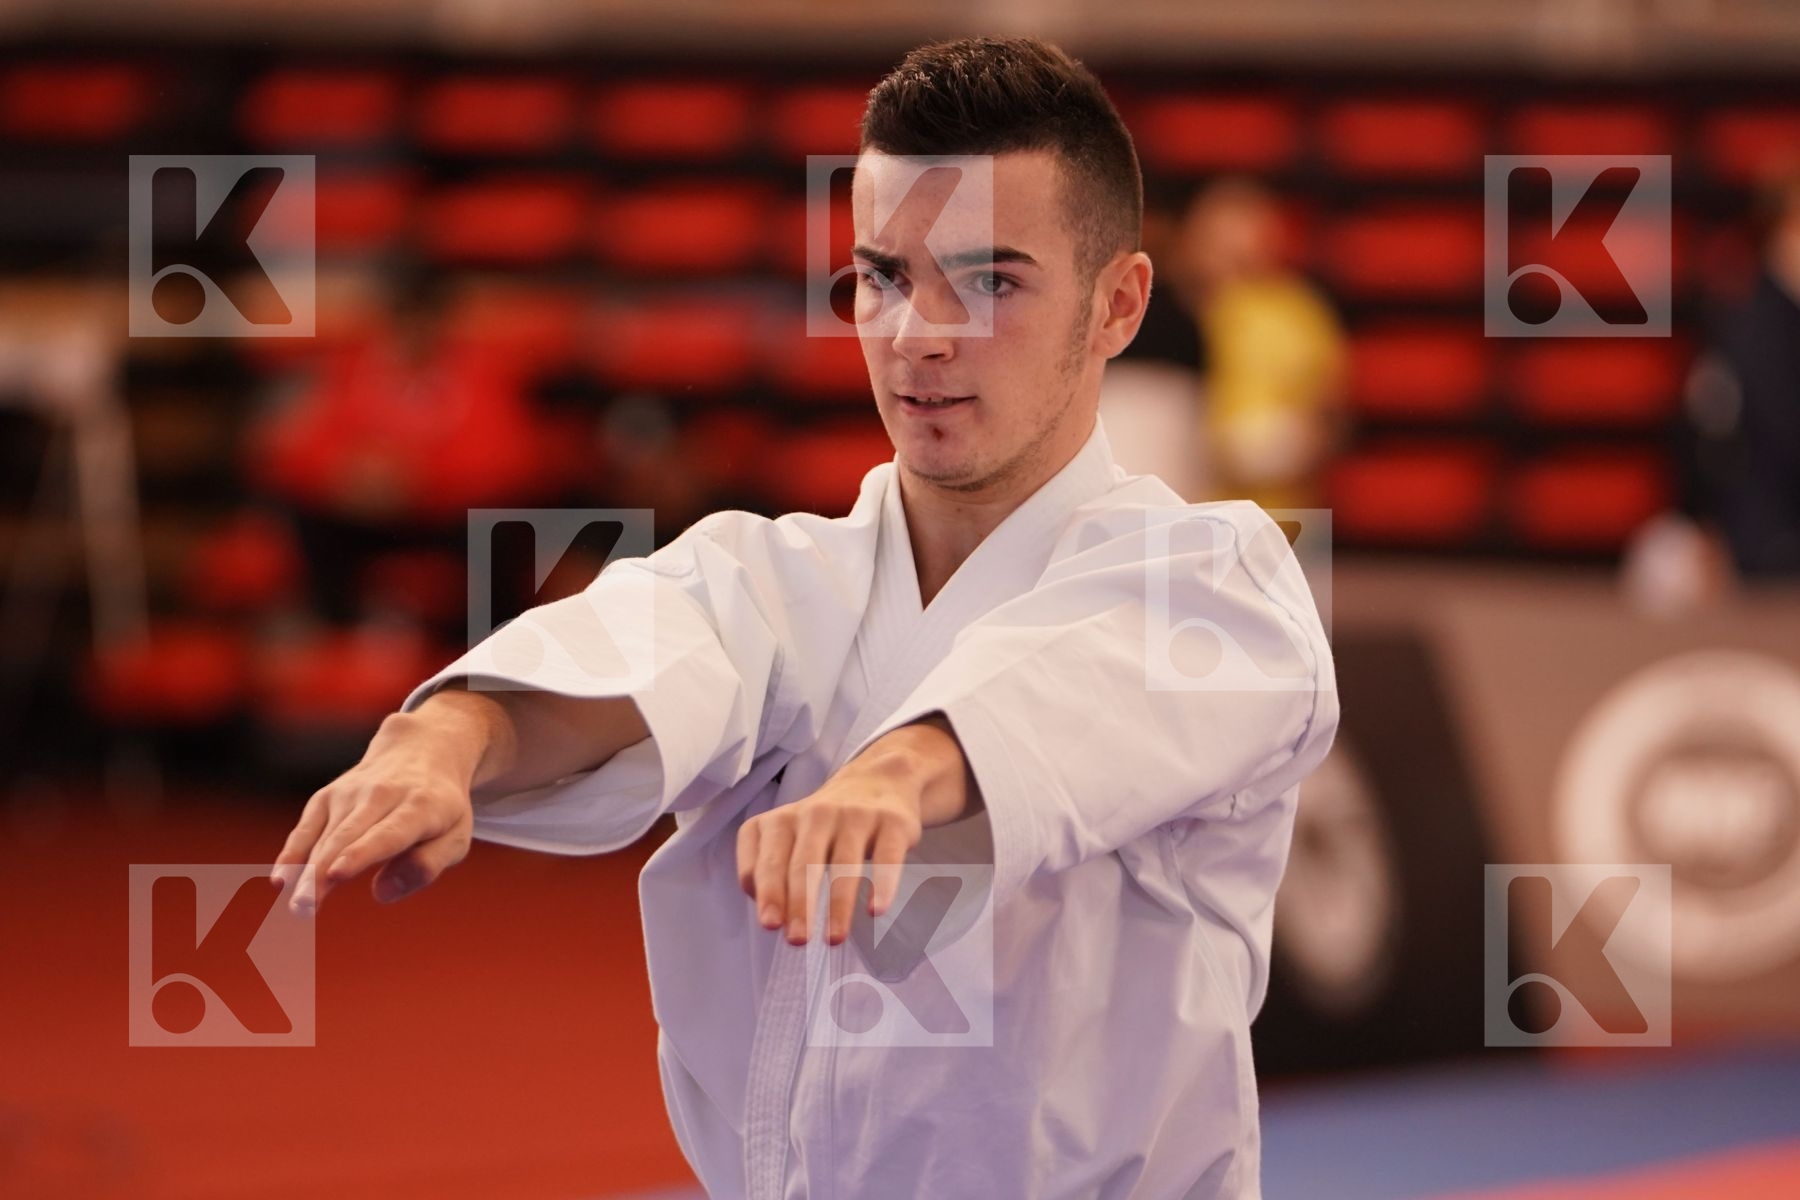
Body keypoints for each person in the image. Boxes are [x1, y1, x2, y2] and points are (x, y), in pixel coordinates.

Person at [271, 37, 1338, 1200]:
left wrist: (897, 775)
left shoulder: (1218, 579)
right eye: (884, 276)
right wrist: (442, 743)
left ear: (1116, 306)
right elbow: (622, 662)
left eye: (992, 282)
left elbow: (1075, 693)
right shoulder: (770, 577)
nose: (919, 333)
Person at [1181, 176, 1347, 512]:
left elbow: (1334, 411)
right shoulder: (1168, 313)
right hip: (1190, 512)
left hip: (1285, 516)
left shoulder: (1299, 311)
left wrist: (1287, 449)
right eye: (1218, 236)